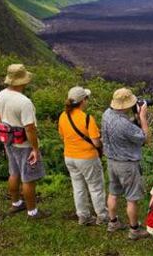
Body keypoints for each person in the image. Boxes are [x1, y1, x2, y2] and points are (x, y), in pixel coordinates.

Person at [0, 64, 49, 219]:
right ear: (23, 81)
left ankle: (16, 203)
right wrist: (35, 149)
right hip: (23, 144)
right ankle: (33, 212)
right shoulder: (24, 102)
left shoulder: (1, 94)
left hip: (9, 141)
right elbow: (30, 128)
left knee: (14, 173)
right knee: (28, 178)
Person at [101, 87, 150, 240]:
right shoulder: (124, 125)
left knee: (113, 193)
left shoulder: (106, 114)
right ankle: (134, 230)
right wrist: (142, 117)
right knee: (131, 198)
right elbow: (145, 138)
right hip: (127, 164)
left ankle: (113, 222)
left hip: (111, 161)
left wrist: (134, 115)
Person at [58, 86, 108, 225]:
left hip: (69, 156)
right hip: (87, 158)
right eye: (87, 98)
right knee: (96, 187)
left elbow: (62, 136)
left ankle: (83, 216)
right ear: (83, 101)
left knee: (78, 186)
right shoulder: (87, 118)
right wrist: (104, 140)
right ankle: (102, 216)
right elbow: (96, 143)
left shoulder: (63, 116)